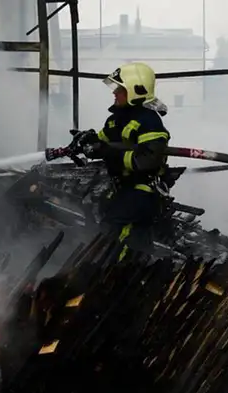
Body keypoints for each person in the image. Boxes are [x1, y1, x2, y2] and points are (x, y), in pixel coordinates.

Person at [53, 62, 172, 261]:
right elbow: (102, 144)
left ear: (136, 91)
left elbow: (149, 160)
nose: (114, 93)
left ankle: (117, 269)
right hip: (124, 189)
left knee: (115, 233)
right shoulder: (116, 120)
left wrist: (110, 153)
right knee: (132, 238)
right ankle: (136, 270)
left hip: (142, 192)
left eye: (120, 89)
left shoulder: (149, 121)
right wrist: (87, 141)